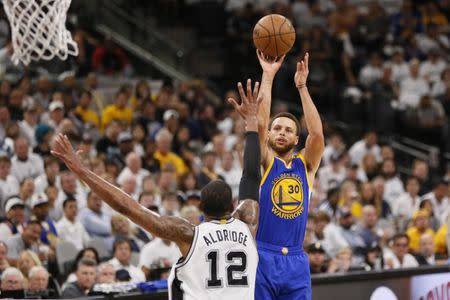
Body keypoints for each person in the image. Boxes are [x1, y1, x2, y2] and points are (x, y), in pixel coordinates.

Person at [51, 79, 264, 300]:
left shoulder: (189, 233)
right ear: (232, 206)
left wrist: (82, 171)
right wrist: (251, 123)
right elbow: (250, 174)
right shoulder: (247, 223)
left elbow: (128, 207)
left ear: (200, 208)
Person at [233, 50, 323, 299]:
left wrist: (302, 87)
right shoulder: (265, 161)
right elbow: (259, 125)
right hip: (263, 255)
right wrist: (268, 75)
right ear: (271, 135)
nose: (282, 132)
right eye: (277, 128)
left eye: (288, 130)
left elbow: (316, 135)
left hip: (296, 259)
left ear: (296, 138)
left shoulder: (305, 166)